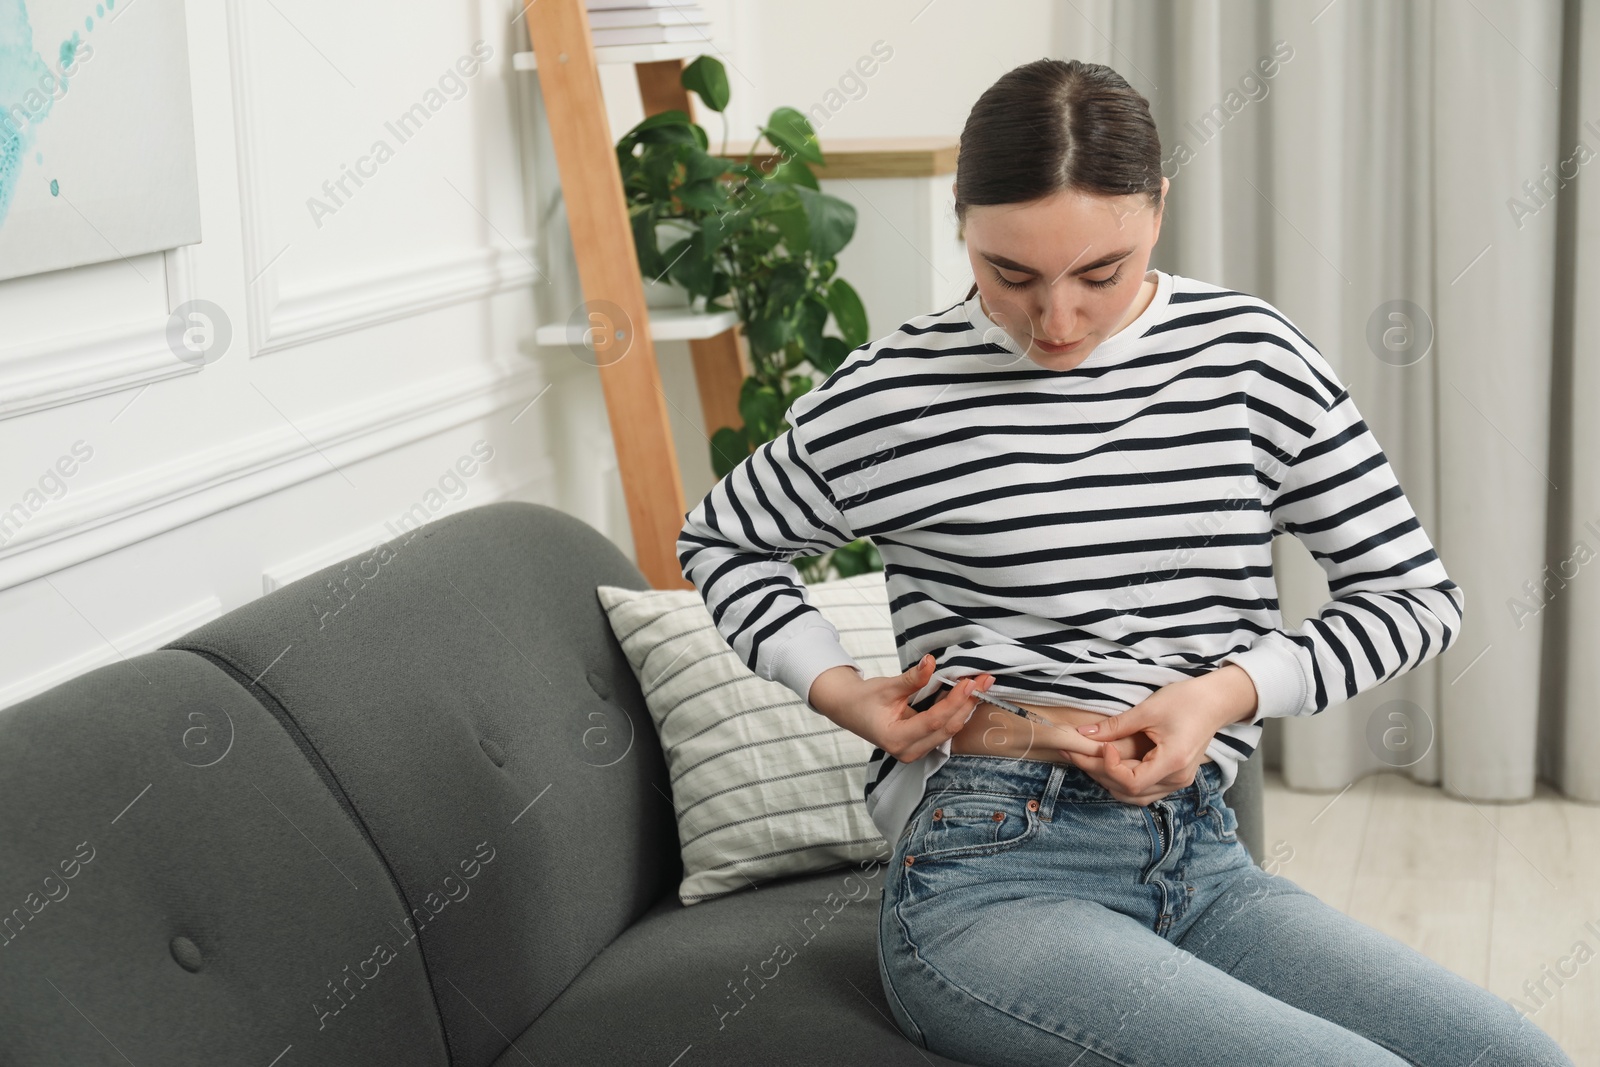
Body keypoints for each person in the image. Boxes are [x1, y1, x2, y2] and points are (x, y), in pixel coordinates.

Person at [677, 57, 1573, 1067]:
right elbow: (722, 537)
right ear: (962, 223)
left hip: (1197, 856)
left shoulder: (1250, 358)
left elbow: (1414, 597)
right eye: (1007, 273)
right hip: (985, 874)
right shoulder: (896, 391)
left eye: (1098, 273)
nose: (1054, 322)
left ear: (1158, 205)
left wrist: (1226, 691)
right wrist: (840, 690)